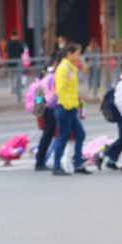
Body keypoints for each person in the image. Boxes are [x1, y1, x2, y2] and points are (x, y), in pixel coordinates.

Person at [53, 44, 90, 176]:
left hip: (71, 107)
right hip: (64, 107)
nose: (78, 57)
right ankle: (57, 166)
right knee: (63, 137)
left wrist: (77, 102)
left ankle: (78, 164)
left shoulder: (70, 68)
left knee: (80, 134)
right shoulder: (63, 68)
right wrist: (68, 104)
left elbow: (71, 89)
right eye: (76, 54)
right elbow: (60, 89)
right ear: (69, 53)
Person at [35, 54, 60, 171]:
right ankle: (40, 160)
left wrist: (40, 105)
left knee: (49, 134)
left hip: (47, 106)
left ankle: (42, 159)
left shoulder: (46, 72)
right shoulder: (50, 74)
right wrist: (41, 105)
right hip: (49, 107)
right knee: (48, 134)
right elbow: (40, 91)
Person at [6, 30, 24, 97]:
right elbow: (22, 51)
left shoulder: (9, 43)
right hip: (18, 62)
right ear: (16, 35)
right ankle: (17, 90)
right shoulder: (19, 43)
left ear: (11, 36)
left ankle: (11, 89)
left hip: (10, 62)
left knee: (11, 77)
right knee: (17, 77)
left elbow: (7, 52)